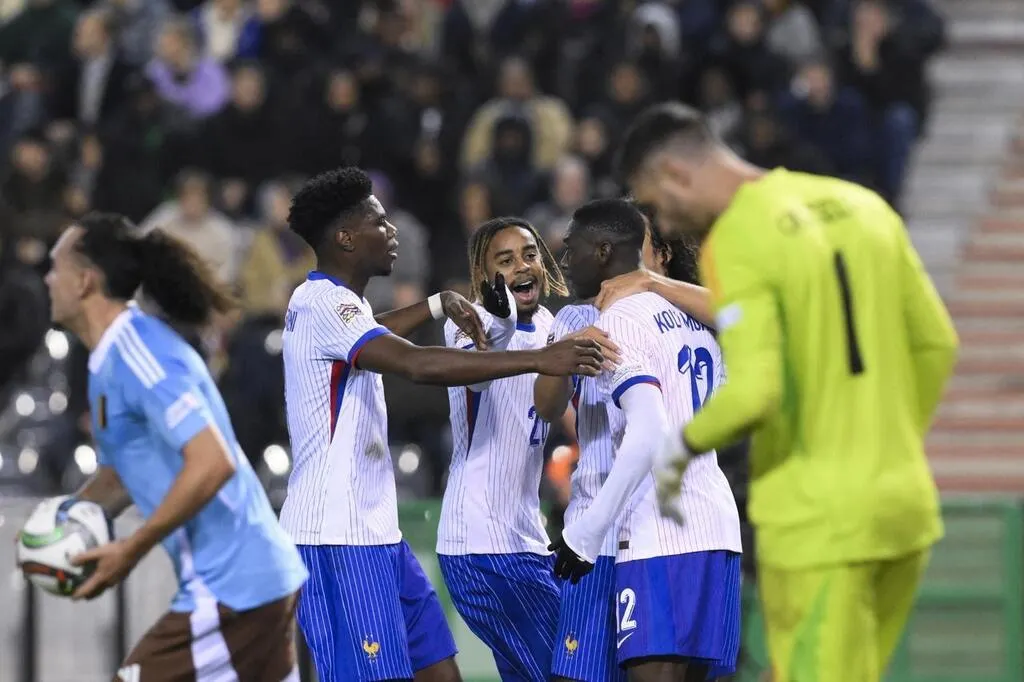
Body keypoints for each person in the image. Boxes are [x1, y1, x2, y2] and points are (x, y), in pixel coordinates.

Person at [616, 102, 959, 681]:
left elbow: (757, 390)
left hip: (816, 520)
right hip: (903, 510)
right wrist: (890, 443)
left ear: (674, 174)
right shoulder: (862, 205)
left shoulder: (739, 236)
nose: (666, 225)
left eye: (657, 205)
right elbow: (937, 345)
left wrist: (681, 446)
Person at [279, 168, 604, 682]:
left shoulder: (343, 306)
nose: (393, 232)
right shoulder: (323, 302)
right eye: (379, 223)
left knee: (440, 672)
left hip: (380, 534)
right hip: (336, 535)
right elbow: (416, 365)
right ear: (345, 238)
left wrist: (434, 302)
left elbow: (370, 331)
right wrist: (540, 359)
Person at [38, 212, 308, 682]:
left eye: (55, 266)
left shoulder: (140, 353)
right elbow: (122, 475)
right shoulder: (108, 360)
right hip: (250, 585)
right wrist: (60, 523)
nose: (47, 279)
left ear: (84, 281)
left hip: (231, 589)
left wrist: (131, 549)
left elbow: (213, 463)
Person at [549, 198, 743, 682]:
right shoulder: (700, 320)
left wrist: (587, 530)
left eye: (572, 247)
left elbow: (648, 429)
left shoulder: (621, 319)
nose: (563, 260)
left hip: (651, 526)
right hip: (712, 525)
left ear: (605, 250)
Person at [437, 216, 614, 682]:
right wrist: (503, 327)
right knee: (574, 673)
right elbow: (474, 375)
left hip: (525, 540)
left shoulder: (552, 326)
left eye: (530, 254)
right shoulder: (470, 323)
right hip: (481, 544)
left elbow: (555, 410)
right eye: (506, 259)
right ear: (484, 275)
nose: (522, 266)